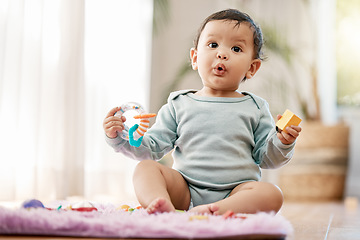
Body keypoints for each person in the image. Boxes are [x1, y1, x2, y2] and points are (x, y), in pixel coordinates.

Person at [103, 9, 301, 215]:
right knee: (145, 169)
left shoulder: (256, 107)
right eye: (213, 45)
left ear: (252, 68)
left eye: (236, 48)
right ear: (195, 58)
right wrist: (120, 138)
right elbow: (151, 148)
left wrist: (282, 142)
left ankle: (212, 210)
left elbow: (267, 158)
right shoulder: (179, 103)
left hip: (236, 193)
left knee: (272, 194)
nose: (222, 53)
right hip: (184, 190)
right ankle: (163, 207)